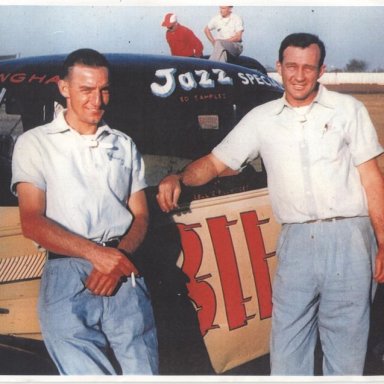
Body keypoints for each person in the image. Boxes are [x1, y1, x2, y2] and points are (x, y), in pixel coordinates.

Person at [156, 33, 384, 375]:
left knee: (347, 348)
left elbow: (372, 180)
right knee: (288, 345)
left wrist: (383, 244)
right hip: (295, 241)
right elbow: (217, 162)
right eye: (291, 66)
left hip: (350, 238)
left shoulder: (347, 109)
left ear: (321, 70)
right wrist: (178, 178)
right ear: (279, 67)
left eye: (308, 67)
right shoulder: (262, 118)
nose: (299, 75)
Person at [11, 48, 159, 375]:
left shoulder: (123, 144)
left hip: (124, 268)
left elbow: (141, 215)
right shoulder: (35, 143)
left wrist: (116, 259)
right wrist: (97, 256)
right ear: (64, 88)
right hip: (67, 272)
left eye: (104, 89)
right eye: (86, 90)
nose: (98, 100)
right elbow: (32, 221)